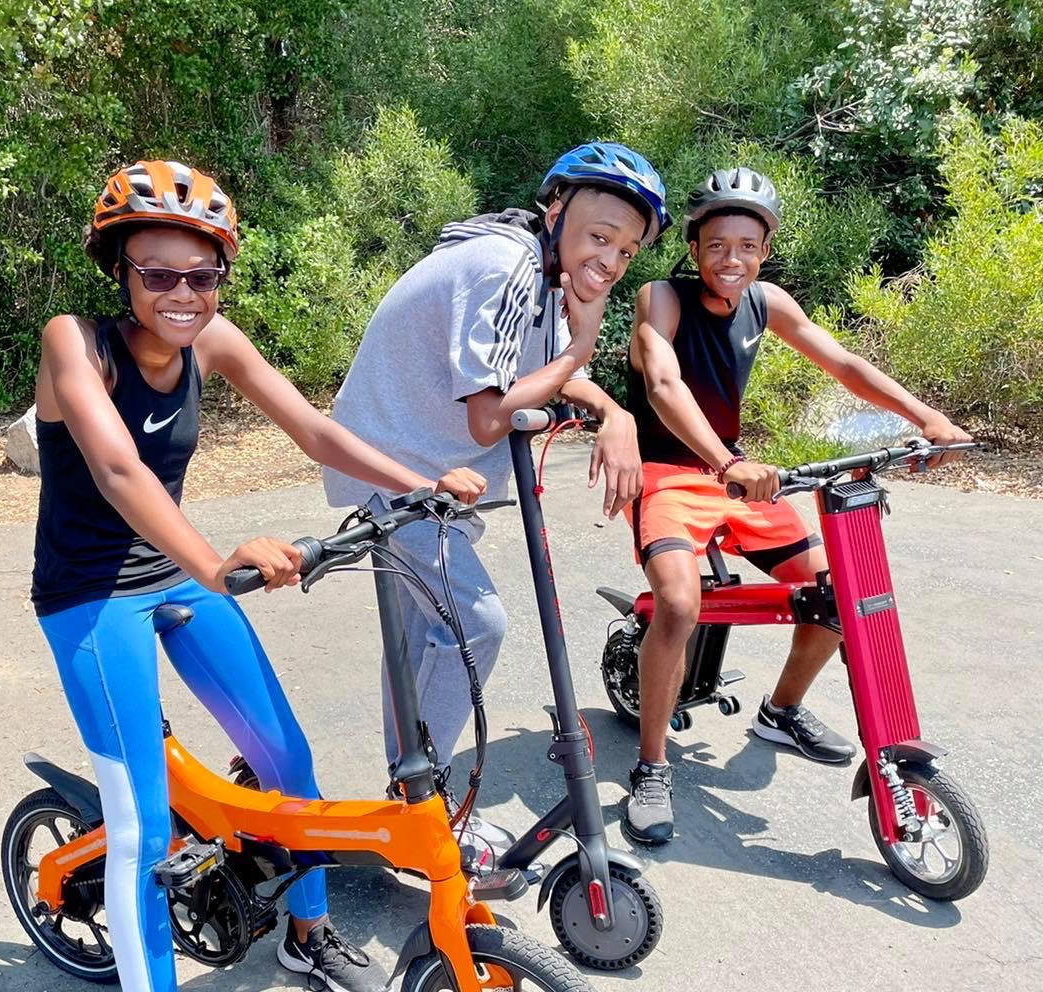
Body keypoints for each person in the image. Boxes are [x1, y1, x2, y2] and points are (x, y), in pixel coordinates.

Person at [32, 159, 485, 992]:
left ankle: (307, 930)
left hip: (175, 575)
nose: (182, 294)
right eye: (158, 274)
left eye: (202, 276)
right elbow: (117, 469)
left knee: (285, 754)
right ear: (119, 272)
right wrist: (214, 561)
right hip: (90, 596)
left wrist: (423, 483)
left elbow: (316, 429)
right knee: (143, 832)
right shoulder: (74, 343)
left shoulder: (214, 341)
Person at [621, 166, 971, 844]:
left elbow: (844, 365)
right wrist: (726, 462)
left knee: (841, 594)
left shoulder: (767, 302)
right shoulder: (660, 297)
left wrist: (927, 417)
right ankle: (652, 766)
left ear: (766, 250)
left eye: (747, 246)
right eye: (717, 245)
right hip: (669, 474)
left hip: (737, 477)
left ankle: (780, 712)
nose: (732, 259)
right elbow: (662, 382)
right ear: (693, 249)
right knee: (680, 606)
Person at [324, 142, 668, 809]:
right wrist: (581, 347)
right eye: (601, 237)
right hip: (394, 469)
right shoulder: (505, 264)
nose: (611, 261)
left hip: (417, 470)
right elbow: (490, 417)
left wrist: (614, 411)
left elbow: (542, 378)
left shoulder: (541, 274)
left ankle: (408, 794)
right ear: (556, 210)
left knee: (423, 633)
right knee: (475, 624)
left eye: (627, 251)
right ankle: (425, 801)